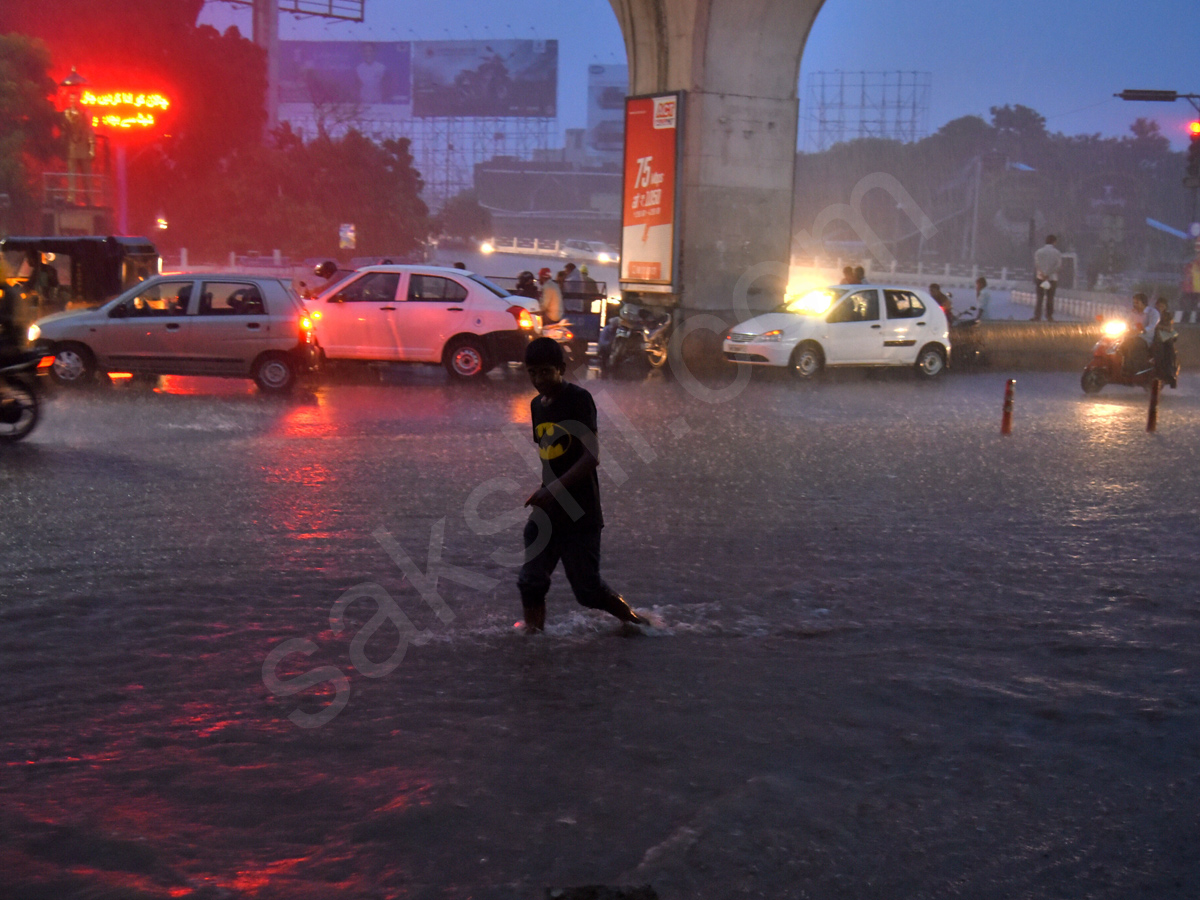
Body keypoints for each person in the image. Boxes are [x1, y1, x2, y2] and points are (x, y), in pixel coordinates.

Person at [517, 336, 649, 633]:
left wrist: (552, 489)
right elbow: (551, 458)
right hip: (548, 512)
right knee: (531, 582)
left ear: (561, 369)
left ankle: (639, 625)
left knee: (588, 592)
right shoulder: (536, 405)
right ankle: (532, 640)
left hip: (580, 512)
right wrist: (546, 492)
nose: (539, 380)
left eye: (546, 372)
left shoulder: (578, 399)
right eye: (532, 372)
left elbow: (591, 457)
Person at [1123, 293, 1158, 375]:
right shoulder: (1133, 312)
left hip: (1146, 338)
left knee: (1133, 344)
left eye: (1137, 303)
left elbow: (1152, 326)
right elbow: (1128, 322)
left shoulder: (1153, 312)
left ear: (1143, 303)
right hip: (1132, 336)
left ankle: (1135, 368)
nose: (1135, 305)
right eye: (1134, 303)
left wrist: (1143, 330)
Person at [1033, 235, 1062, 322]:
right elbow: (1058, 266)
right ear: (1054, 242)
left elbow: (1037, 264)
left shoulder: (1039, 252)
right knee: (1050, 298)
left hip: (1040, 277)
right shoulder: (1057, 253)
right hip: (1052, 278)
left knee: (1040, 297)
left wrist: (1043, 273)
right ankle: (1049, 316)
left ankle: (1037, 316)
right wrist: (1048, 274)